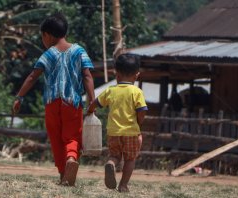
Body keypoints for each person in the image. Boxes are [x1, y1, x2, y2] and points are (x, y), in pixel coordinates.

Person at [12, 13, 95, 186]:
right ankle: (71, 158)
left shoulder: (48, 54)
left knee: (56, 139)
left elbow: (33, 76)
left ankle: (63, 174)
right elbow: (87, 76)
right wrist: (92, 101)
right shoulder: (79, 51)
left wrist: (19, 97)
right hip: (72, 102)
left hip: (52, 103)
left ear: (47, 35)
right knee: (72, 136)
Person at [87, 54, 148, 192]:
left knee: (115, 156)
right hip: (131, 132)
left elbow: (95, 103)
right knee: (130, 159)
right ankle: (123, 185)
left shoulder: (111, 90)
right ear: (136, 75)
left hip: (113, 132)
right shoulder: (137, 92)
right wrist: (139, 123)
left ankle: (110, 163)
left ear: (117, 75)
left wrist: (89, 111)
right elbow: (142, 111)